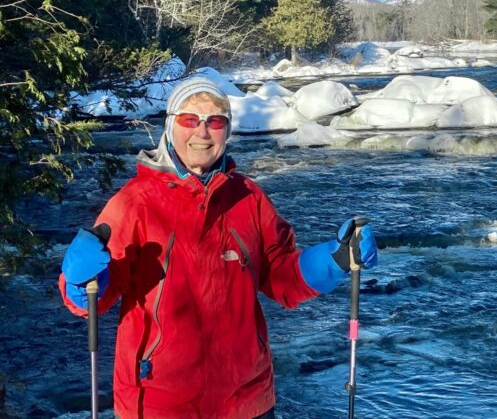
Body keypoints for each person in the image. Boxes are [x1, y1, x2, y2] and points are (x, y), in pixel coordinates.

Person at [59, 77, 378, 419]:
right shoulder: (134, 203)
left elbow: (281, 276)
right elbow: (95, 298)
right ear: (169, 126)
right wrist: (79, 280)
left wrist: (334, 260)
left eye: (215, 121)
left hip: (247, 399)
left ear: (227, 131)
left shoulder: (248, 197)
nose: (202, 132)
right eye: (189, 120)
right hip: (159, 403)